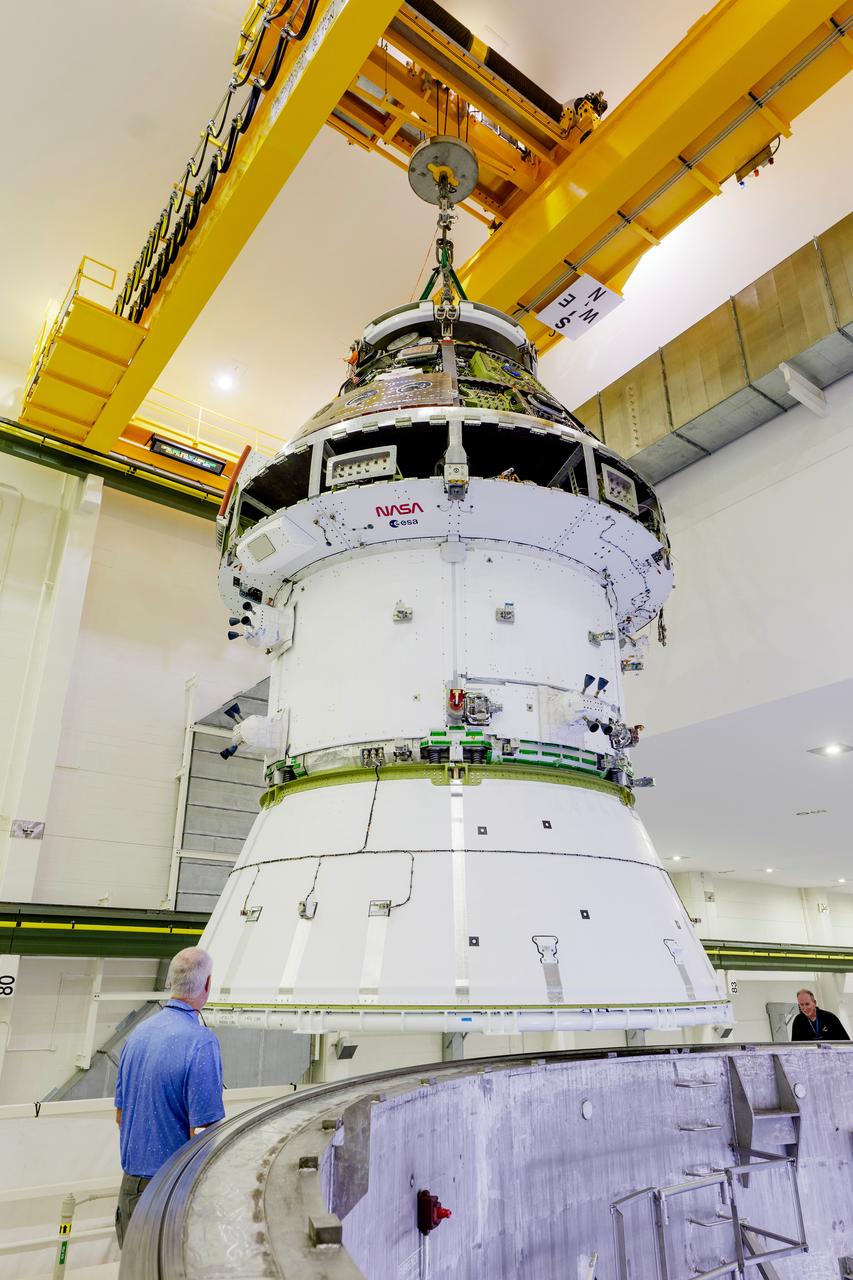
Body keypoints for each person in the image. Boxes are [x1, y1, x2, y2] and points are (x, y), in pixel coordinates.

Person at [113, 947, 225, 1246]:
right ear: (207, 984)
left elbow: (120, 1116)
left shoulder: (138, 1035)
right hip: (170, 1194)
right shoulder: (201, 1042)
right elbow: (202, 1132)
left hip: (131, 1191)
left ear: (170, 981)